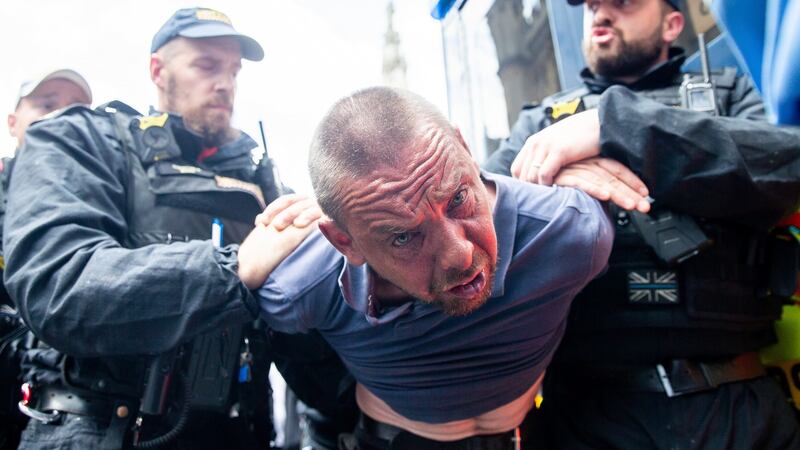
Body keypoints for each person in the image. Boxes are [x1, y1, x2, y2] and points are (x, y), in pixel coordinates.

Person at [483, 0, 800, 448]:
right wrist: (546, 173)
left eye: (623, 3)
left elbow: (788, 163)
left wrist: (612, 129)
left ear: (673, 23)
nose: (601, 14)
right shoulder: (540, 123)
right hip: (585, 420)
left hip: (738, 413)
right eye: (593, 6)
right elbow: (477, 213)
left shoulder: (729, 94)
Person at [235, 86, 614, 450]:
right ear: (345, 242)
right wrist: (237, 272)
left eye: (459, 199)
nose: (459, 256)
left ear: (465, 150)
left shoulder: (569, 232)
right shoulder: (302, 288)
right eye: (403, 237)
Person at [2, 8, 305, 449]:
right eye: (206, 65)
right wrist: (234, 266)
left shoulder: (264, 184)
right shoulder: (81, 139)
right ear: (157, 70)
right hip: (98, 430)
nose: (224, 83)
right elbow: (58, 284)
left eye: (233, 70)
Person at [1, 68, 92, 450]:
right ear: (12, 121)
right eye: (46, 104)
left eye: (76, 107)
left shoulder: (101, 207)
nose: (61, 116)